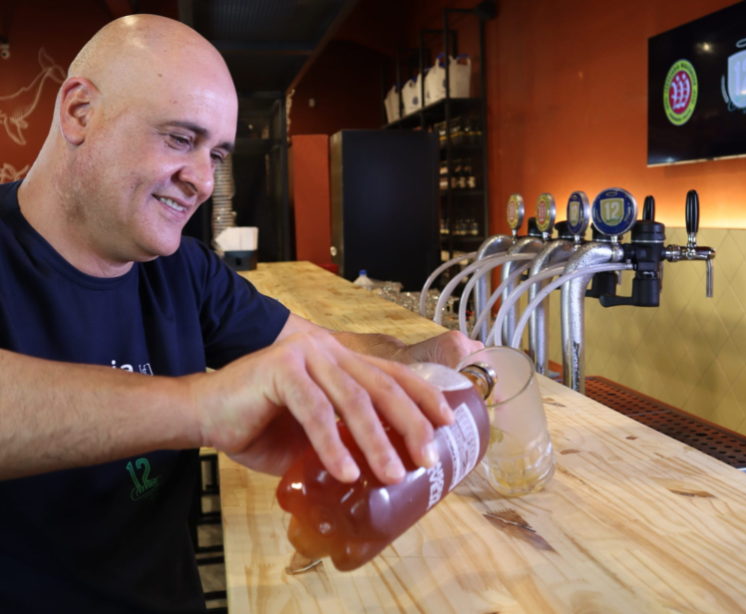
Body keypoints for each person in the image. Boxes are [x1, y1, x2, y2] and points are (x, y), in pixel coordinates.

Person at [0, 13, 482, 612]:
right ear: (79, 112)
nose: (203, 180)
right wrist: (204, 406)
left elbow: (313, 351)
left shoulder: (183, 270)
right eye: (180, 138)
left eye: (217, 154)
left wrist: (421, 357)